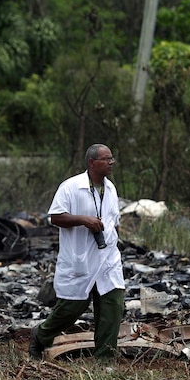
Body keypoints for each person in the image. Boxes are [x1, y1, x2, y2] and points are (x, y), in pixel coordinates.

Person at [29, 144, 124, 361]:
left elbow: (113, 221)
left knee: (113, 305)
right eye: (106, 159)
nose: (111, 163)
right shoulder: (71, 187)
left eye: (112, 159)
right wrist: (84, 219)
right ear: (92, 162)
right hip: (81, 258)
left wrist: (115, 242)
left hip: (108, 259)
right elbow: (55, 217)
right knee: (72, 308)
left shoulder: (111, 189)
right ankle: (41, 335)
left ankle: (104, 360)